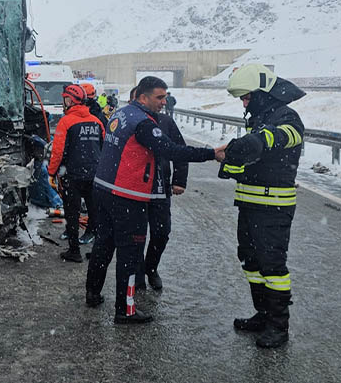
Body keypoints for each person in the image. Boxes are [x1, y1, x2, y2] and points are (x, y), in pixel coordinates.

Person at [85, 76, 224, 324]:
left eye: (165, 97)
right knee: (129, 255)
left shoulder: (122, 113)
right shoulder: (144, 124)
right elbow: (171, 150)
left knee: (103, 244)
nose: (164, 102)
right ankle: (125, 310)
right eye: (159, 97)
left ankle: (92, 293)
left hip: (105, 188)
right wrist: (211, 153)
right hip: (127, 195)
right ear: (142, 97)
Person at [218, 64, 304, 349]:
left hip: (273, 207)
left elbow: (285, 137)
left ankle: (279, 326)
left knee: (272, 267)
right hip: (249, 203)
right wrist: (232, 163)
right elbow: (252, 158)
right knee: (250, 262)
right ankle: (263, 314)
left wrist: (258, 139)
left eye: (246, 97)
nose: (244, 103)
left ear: (262, 93)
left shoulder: (286, 117)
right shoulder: (259, 118)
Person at [129, 85, 189, 291]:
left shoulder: (165, 122)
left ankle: (151, 267)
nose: (163, 102)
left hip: (160, 188)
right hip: (134, 190)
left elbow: (180, 151)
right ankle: (137, 273)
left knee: (161, 233)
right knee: (135, 236)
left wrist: (180, 180)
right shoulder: (129, 121)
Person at [48, 84, 104, 262]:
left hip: (72, 175)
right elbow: (104, 147)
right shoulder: (97, 121)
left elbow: (57, 152)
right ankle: (97, 249)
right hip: (94, 174)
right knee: (94, 211)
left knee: (72, 213)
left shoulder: (66, 122)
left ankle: (74, 251)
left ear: (69, 100)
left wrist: (51, 172)